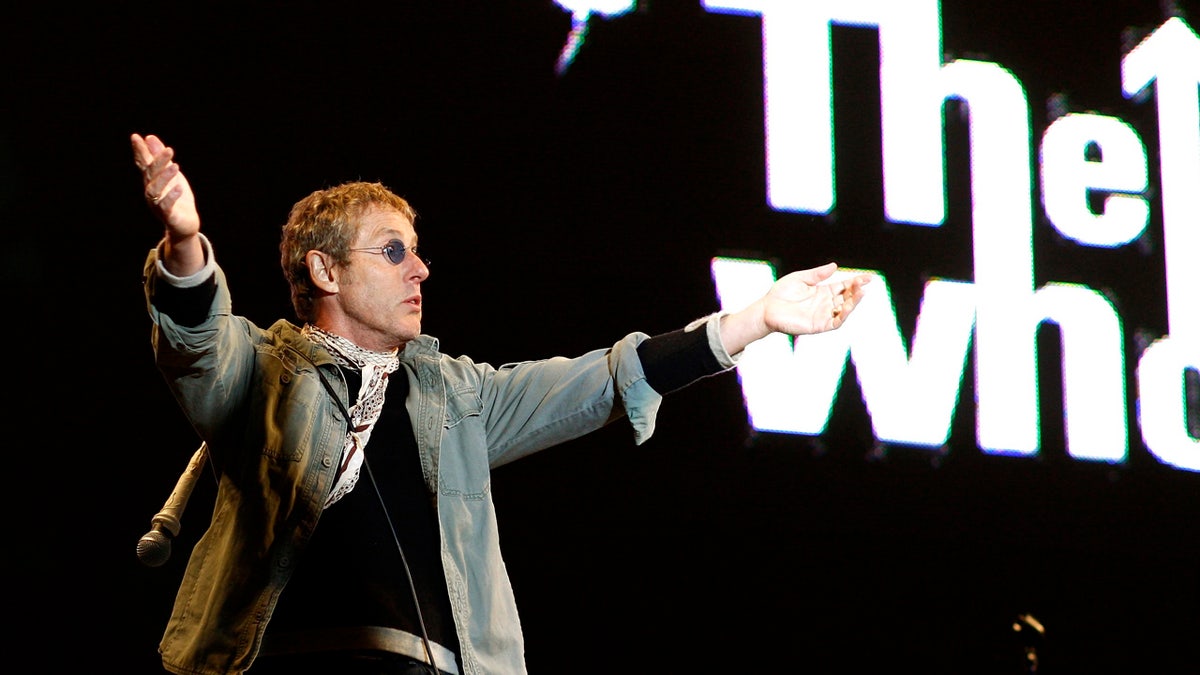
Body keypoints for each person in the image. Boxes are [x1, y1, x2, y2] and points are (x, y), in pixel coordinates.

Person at [132, 131, 871, 675]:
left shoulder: (456, 394)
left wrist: (757, 320)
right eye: (392, 250)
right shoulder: (263, 373)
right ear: (323, 268)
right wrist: (187, 244)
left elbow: (602, 380)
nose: (420, 266)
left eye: (416, 248)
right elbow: (196, 340)